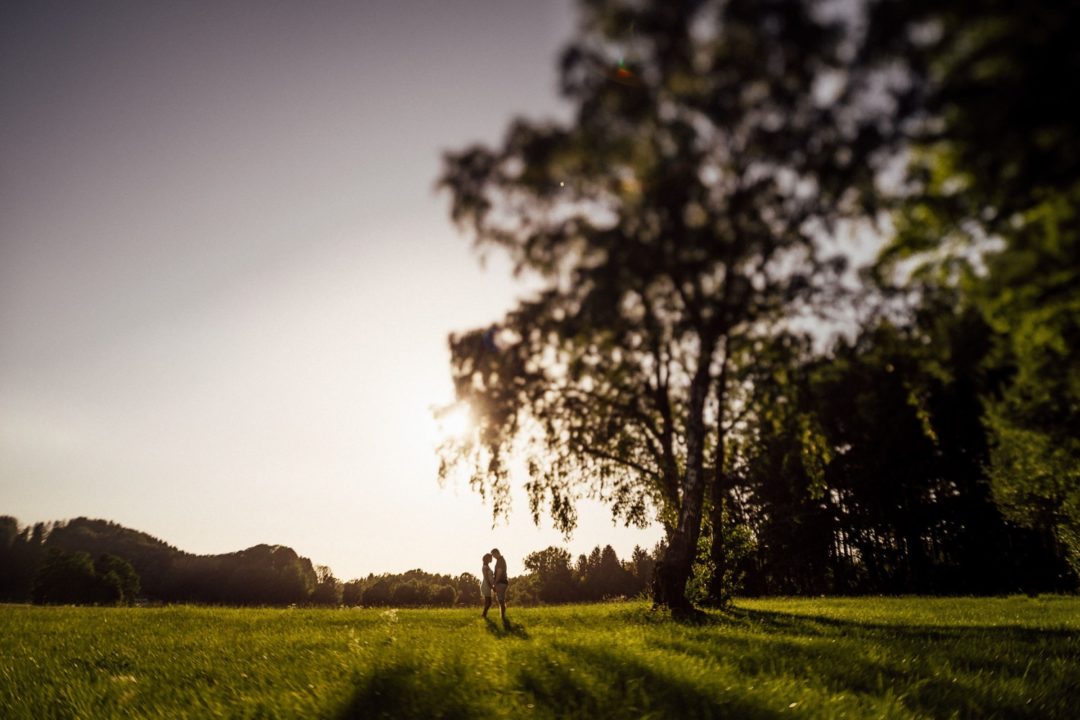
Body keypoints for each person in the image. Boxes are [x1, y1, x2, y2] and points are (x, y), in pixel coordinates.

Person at [490, 548, 509, 621]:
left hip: (501, 582)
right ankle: (502, 616)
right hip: (502, 582)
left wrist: (495, 583)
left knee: (501, 600)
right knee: (501, 600)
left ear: (496, 553)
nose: (493, 557)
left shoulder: (500, 561)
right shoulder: (500, 560)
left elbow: (499, 572)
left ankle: (503, 617)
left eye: (493, 555)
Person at [480, 553, 494, 618]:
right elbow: (486, 578)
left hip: (488, 585)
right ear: (487, 559)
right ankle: (483, 615)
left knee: (489, 602)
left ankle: (484, 615)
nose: (492, 559)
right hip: (486, 585)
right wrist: (491, 586)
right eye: (491, 558)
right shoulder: (485, 567)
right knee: (488, 602)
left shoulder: (487, 566)